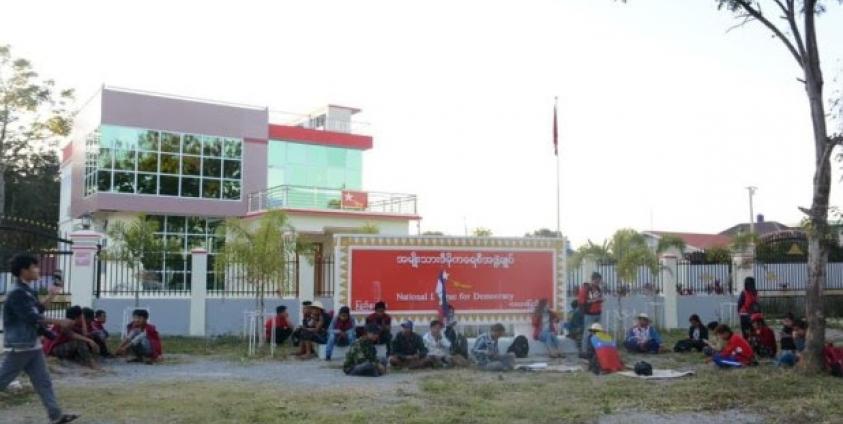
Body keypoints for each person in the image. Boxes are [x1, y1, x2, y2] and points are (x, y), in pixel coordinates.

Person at [0, 254, 80, 424]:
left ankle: (56, 416)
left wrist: (52, 295)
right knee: (2, 379)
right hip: (20, 345)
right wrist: (60, 321)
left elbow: (38, 309)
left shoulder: (28, 290)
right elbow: (31, 316)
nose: (38, 270)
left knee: (43, 382)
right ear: (24, 271)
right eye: (34, 267)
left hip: (31, 345)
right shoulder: (16, 293)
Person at [578, 272, 604, 356]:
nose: (598, 283)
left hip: (597, 313)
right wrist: (595, 300)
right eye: (597, 281)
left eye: (599, 281)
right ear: (593, 279)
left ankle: (595, 349)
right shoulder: (586, 288)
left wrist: (600, 300)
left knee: (598, 333)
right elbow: (582, 301)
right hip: (589, 314)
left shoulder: (598, 289)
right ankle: (584, 351)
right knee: (587, 332)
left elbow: (597, 299)